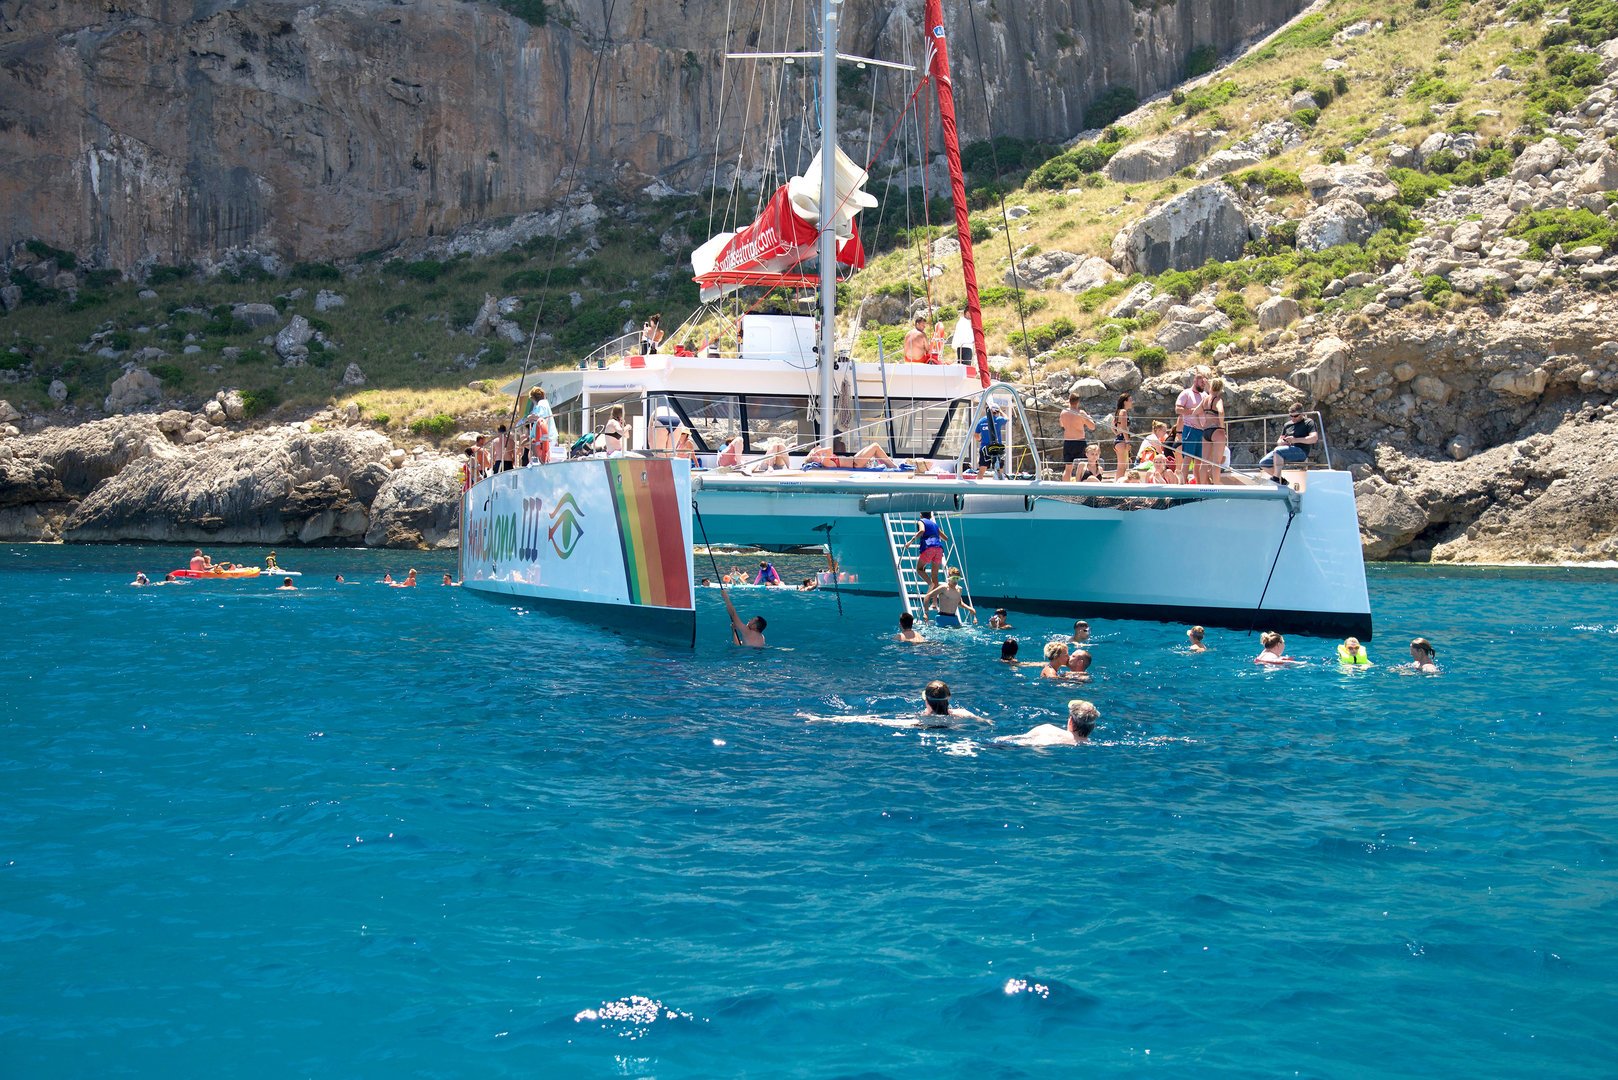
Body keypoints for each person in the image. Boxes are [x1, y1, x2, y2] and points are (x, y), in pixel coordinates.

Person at [995, 699, 1100, 746]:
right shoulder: (1092, 745)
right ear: (1093, 726)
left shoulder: (1047, 730)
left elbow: (1011, 741)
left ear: (1070, 720)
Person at [1259, 405, 1319, 482]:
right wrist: (1282, 442)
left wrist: (1295, 440)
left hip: (1301, 451)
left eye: (1295, 416)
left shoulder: (1309, 422)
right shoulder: (1287, 425)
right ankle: (1281, 481)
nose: (1293, 418)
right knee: (1263, 463)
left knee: (1278, 450)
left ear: (1302, 414)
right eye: (1291, 416)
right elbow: (1279, 441)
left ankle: (1276, 479)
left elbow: (1314, 438)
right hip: (1285, 450)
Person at [1175, 369, 1210, 484]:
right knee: (1188, 458)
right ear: (1195, 381)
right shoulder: (1186, 393)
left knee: (1199, 460)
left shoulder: (1204, 395)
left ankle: (1199, 484)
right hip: (1190, 429)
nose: (1203, 385)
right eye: (1202, 383)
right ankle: (1183, 484)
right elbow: (1178, 409)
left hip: (1202, 430)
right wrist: (1193, 411)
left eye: (1205, 383)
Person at [904, 511, 949, 591]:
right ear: (930, 516)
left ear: (921, 515)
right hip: (939, 549)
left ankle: (930, 584)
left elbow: (922, 531)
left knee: (919, 569)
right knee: (935, 575)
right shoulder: (935, 525)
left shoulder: (921, 521)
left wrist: (910, 542)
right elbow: (945, 538)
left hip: (929, 547)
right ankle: (935, 598)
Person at [1059, 394, 1097, 481]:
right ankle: (1080, 484)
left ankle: (1065, 486)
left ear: (1069, 401)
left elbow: (1061, 424)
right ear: (1078, 402)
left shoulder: (1063, 412)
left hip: (1068, 442)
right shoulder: (1080, 413)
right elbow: (1092, 427)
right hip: (1079, 442)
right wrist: (1089, 418)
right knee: (1082, 465)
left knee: (1068, 468)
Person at [1204, 377, 1229, 484]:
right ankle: (1217, 486)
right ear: (1221, 388)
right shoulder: (1218, 400)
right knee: (1216, 463)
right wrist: (1222, 426)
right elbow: (1221, 412)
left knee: (1204, 462)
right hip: (1216, 430)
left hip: (1206, 430)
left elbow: (1195, 412)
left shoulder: (1206, 399)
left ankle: (1203, 485)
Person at [973, 404, 1009, 477]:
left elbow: (976, 435)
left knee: (982, 469)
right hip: (996, 448)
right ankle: (1000, 482)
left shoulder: (981, 421)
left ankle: (979, 483)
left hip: (984, 448)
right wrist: (1001, 411)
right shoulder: (998, 420)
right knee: (999, 469)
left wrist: (981, 440)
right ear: (996, 412)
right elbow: (1007, 418)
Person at [524, 387, 553, 466]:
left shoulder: (541, 404)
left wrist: (530, 417)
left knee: (536, 458)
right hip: (546, 437)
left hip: (542, 438)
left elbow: (541, 418)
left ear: (533, 398)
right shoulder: (545, 403)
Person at [1111, 393, 1132, 481]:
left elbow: (1112, 426)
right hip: (1122, 440)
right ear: (1125, 401)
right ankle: (1119, 483)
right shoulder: (1123, 412)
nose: (1132, 402)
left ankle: (1118, 481)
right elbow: (1124, 428)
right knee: (1122, 466)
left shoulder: (1118, 412)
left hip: (1118, 439)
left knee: (1121, 465)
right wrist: (1127, 442)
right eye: (1130, 400)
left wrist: (1117, 434)